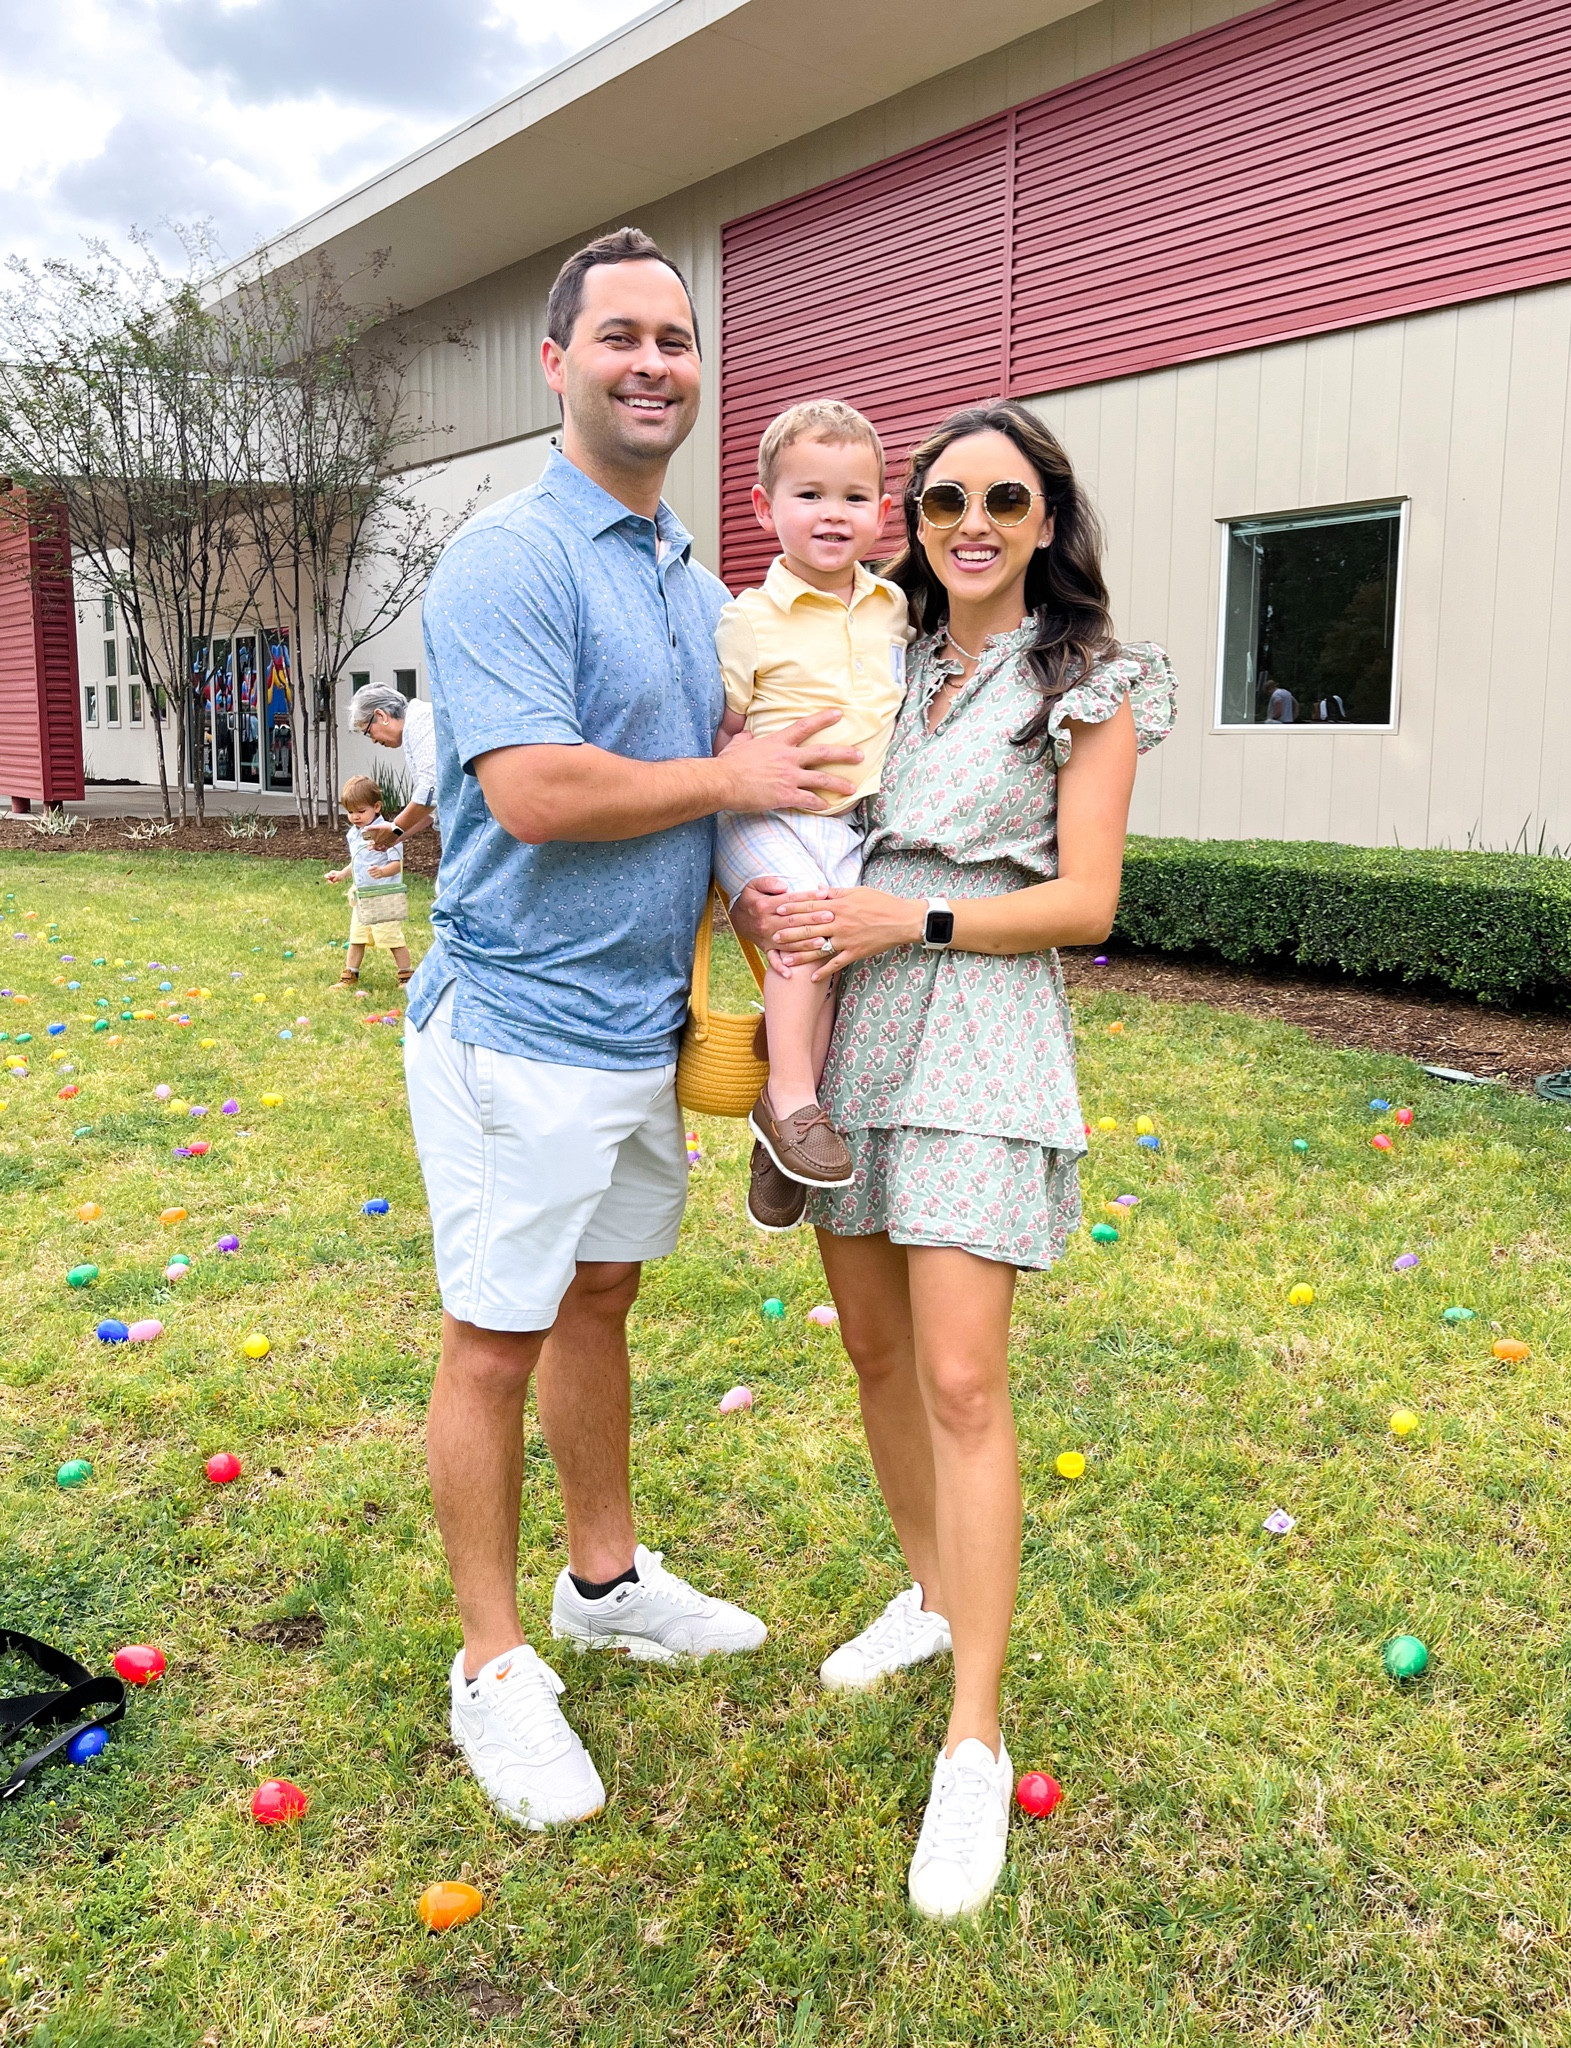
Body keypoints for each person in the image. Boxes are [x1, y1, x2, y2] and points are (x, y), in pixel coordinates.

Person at [402, 227, 862, 1833]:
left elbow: (689, 788)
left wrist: (750, 860)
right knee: (497, 1331)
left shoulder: (683, 575)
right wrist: (734, 783)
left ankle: (601, 1582)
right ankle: (492, 1665)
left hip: (633, 1027)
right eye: (619, 337)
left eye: (674, 336)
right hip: (515, 1024)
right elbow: (529, 791)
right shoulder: (508, 559)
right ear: (556, 362)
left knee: (598, 1295)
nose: (652, 361)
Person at [740, 400, 1176, 1919]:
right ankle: (927, 1597)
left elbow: (1086, 902)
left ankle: (974, 1740)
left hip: (981, 1026)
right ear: (912, 521)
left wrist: (905, 918)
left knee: (962, 1383)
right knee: (871, 1356)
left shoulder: (1092, 684)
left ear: (1045, 515)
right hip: (856, 1027)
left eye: (1001, 497)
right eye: (939, 502)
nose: (967, 522)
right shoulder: (882, 655)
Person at [713, 399, 912, 1221]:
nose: (833, 513)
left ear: (880, 512)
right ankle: (790, 1101)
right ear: (765, 508)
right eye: (808, 495)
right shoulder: (746, 619)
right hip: (764, 815)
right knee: (802, 926)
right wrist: (735, 769)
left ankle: (785, 1136)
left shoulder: (893, 610)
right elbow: (720, 739)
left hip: (849, 823)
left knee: (825, 963)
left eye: (853, 497)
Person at [323, 774, 414, 989]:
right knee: (357, 937)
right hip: (363, 896)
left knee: (392, 938)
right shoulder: (354, 835)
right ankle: (350, 975)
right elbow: (357, 862)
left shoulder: (388, 832)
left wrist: (383, 872)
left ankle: (406, 975)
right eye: (350, 812)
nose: (355, 817)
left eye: (361, 811)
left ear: (377, 807)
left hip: (384, 895)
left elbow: (397, 864)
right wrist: (342, 874)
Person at [351, 683, 439, 851]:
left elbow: (431, 789)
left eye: (369, 732)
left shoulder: (422, 721)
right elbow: (433, 805)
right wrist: (394, 835)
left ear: (381, 715)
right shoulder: (415, 726)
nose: (374, 740)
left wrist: (395, 827)